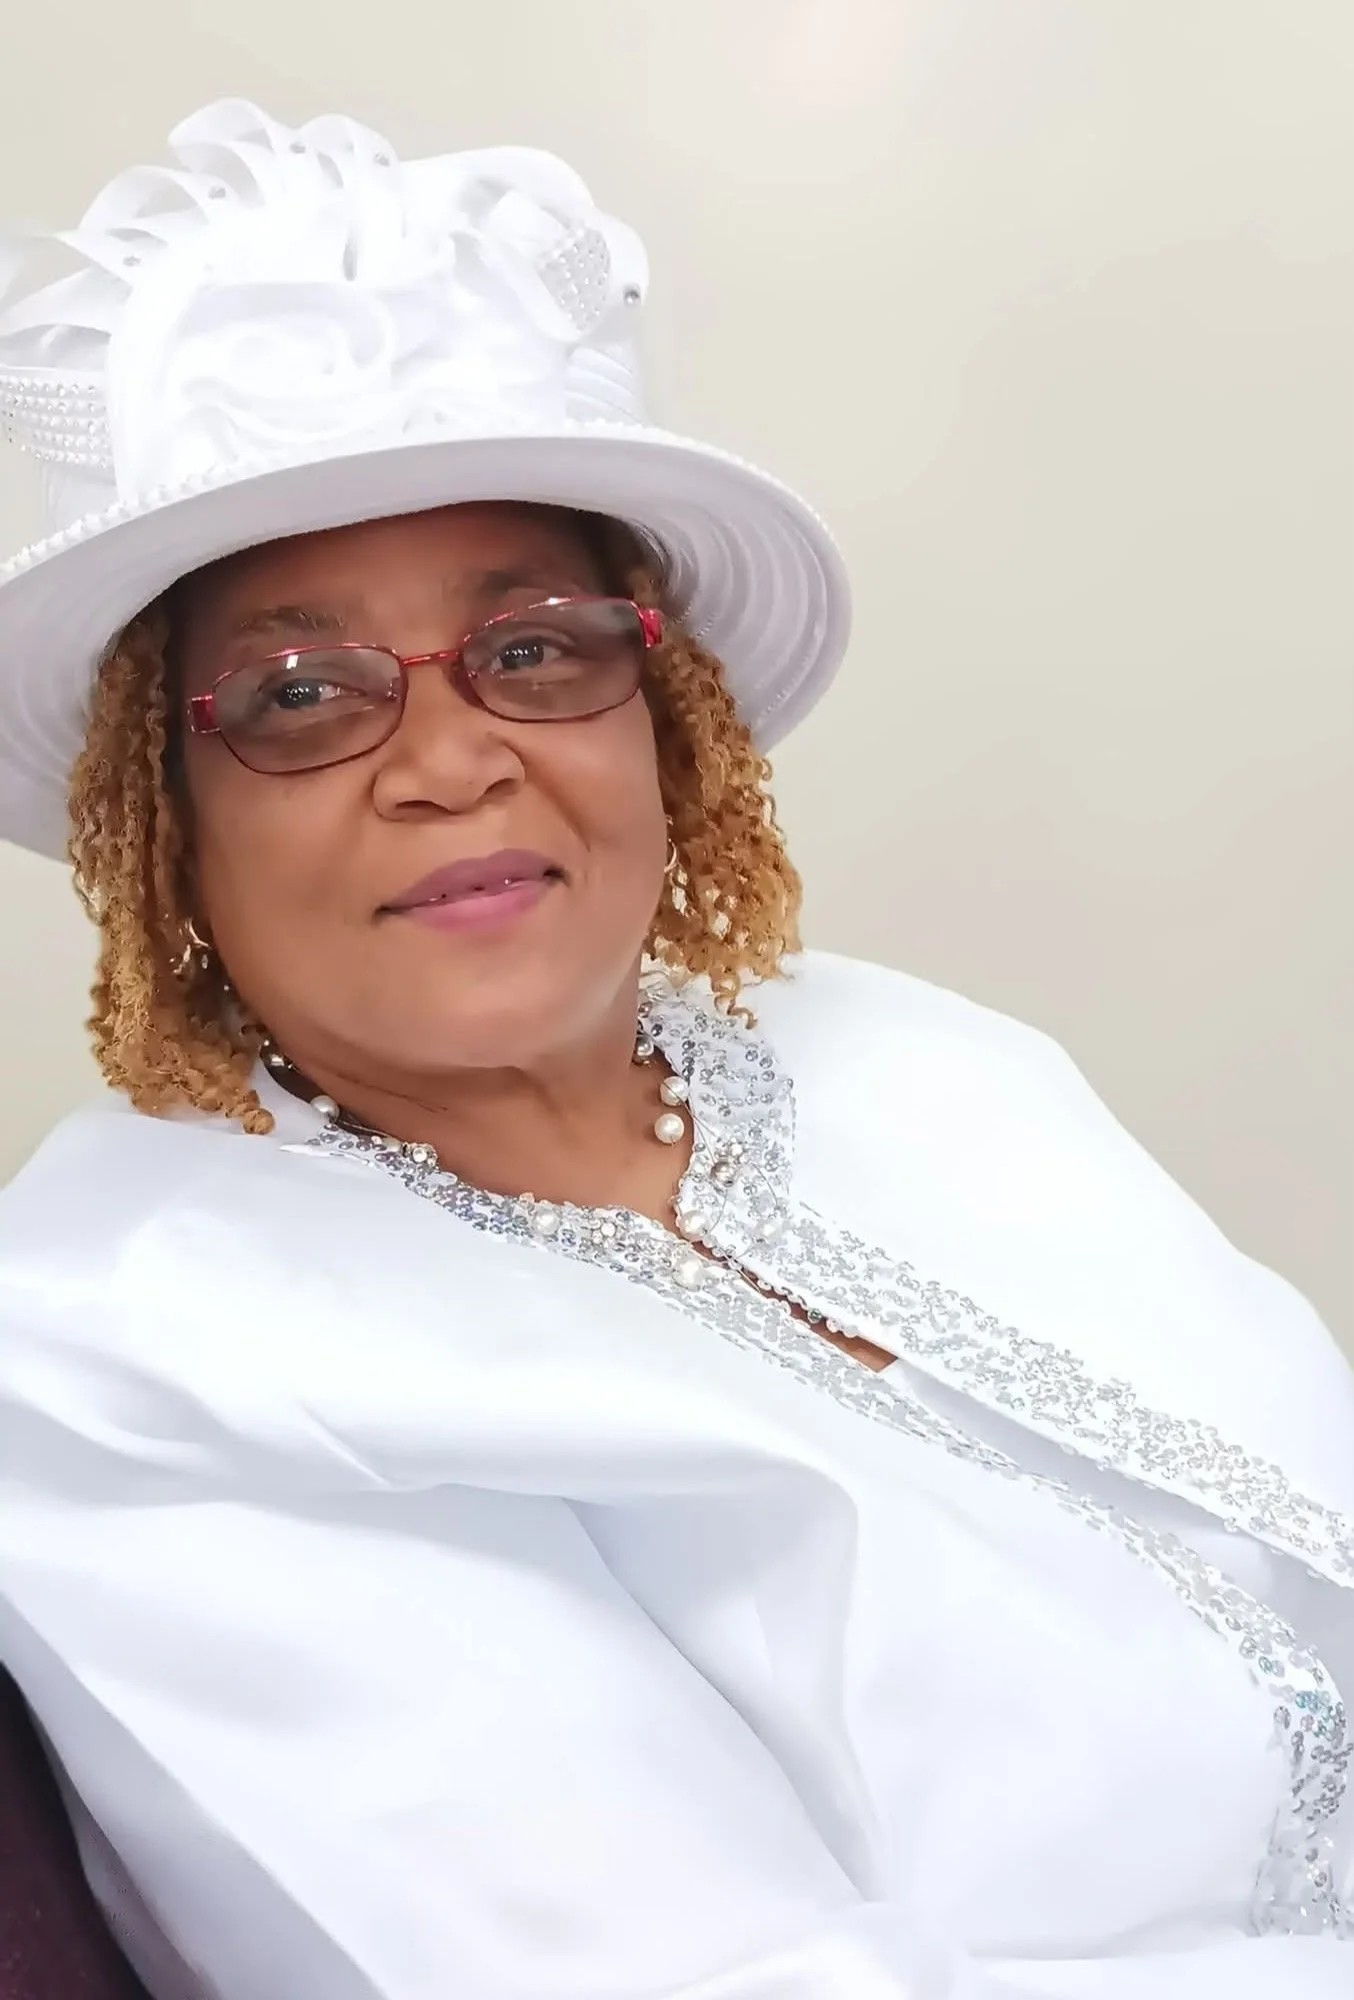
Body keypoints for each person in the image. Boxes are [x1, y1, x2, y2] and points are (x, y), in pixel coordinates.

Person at [0, 97, 1349, 2000]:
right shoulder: (124, 1350)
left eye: (533, 649)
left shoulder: (926, 1060)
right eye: (297, 695)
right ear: (167, 827)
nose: (451, 758)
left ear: (666, 721)